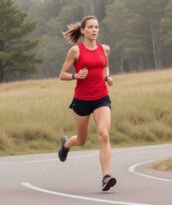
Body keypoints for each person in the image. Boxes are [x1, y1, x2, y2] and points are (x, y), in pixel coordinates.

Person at [58, 15, 116, 192]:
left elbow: (104, 66)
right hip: (82, 100)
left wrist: (107, 77)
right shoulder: (76, 51)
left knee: (104, 134)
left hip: (101, 98)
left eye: (96, 27)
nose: (94, 30)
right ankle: (66, 144)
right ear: (83, 30)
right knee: (82, 140)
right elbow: (62, 74)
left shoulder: (104, 49)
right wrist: (76, 76)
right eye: (90, 27)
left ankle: (106, 177)